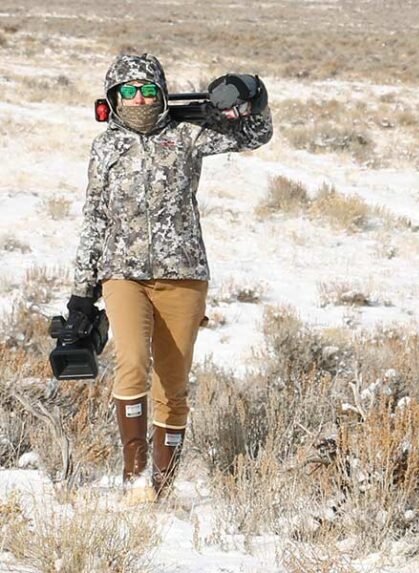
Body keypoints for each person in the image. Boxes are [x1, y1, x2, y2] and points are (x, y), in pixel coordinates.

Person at [66, 53, 272, 503]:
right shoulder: (106, 148)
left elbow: (256, 135)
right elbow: (95, 216)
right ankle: (134, 475)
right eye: (128, 91)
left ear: (161, 92)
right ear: (114, 98)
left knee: (173, 383)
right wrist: (82, 292)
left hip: (184, 273)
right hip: (123, 273)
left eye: (146, 90)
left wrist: (251, 95)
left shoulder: (187, 134)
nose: (138, 98)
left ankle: (163, 485)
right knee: (133, 363)